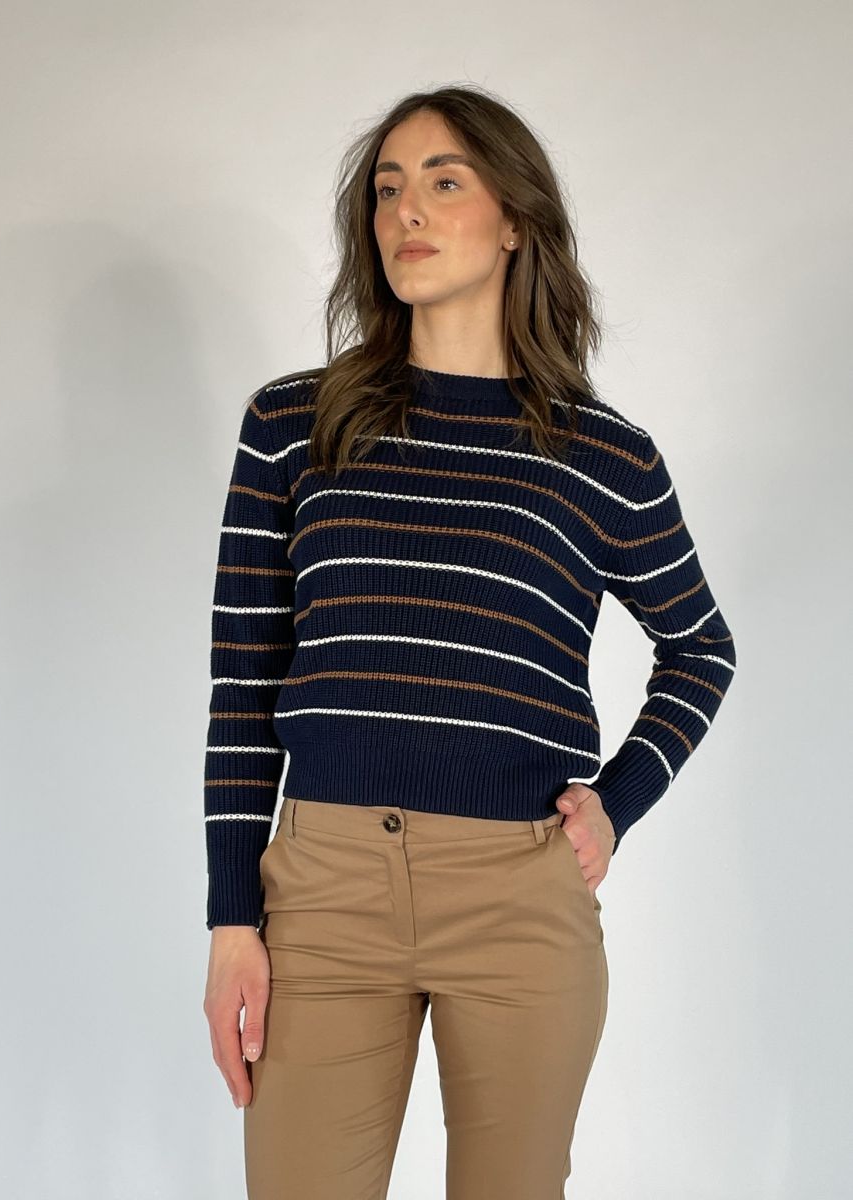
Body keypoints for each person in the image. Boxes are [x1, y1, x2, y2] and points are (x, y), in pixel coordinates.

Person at [202, 85, 737, 1200]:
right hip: (325, 894)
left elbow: (701, 647)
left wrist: (618, 802)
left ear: (515, 222)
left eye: (445, 182)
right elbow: (244, 684)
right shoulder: (292, 425)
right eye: (388, 188)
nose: (407, 210)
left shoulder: (603, 457)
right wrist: (230, 921)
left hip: (517, 900)